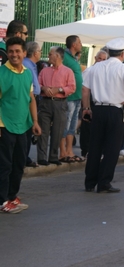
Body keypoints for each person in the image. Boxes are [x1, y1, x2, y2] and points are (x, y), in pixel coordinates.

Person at [82, 37, 124, 193]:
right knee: (112, 148)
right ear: (123, 54)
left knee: (95, 147)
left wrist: (86, 107)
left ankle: (89, 182)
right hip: (115, 110)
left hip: (98, 109)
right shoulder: (123, 68)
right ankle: (104, 182)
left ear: (108, 52)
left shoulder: (95, 68)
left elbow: (85, 90)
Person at [0, 37, 41, 213]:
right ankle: (2, 201)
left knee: (18, 164)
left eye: (17, 51)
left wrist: (35, 121)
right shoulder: (2, 73)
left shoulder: (27, 73)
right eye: (11, 51)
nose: (14, 54)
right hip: (5, 125)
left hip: (23, 126)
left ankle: (11, 196)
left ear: (25, 53)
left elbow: (30, 98)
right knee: (4, 165)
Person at [37, 47, 76, 166]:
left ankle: (53, 156)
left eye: (50, 54)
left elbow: (72, 87)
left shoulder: (68, 71)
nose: (48, 56)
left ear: (57, 56)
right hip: (45, 102)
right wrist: (43, 88)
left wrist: (58, 89)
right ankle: (41, 157)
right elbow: (38, 84)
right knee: (43, 130)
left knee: (58, 130)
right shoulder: (44, 71)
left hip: (60, 103)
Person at [80, 49, 108, 158]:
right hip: (90, 99)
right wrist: (86, 106)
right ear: (95, 59)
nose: (101, 61)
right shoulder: (89, 71)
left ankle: (96, 150)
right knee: (87, 126)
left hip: (100, 101)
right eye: (99, 58)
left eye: (104, 59)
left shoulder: (106, 72)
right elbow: (84, 89)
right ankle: (85, 150)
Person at [60, 35, 84, 163]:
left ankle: (69, 151)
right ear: (73, 44)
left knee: (72, 126)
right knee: (66, 124)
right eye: (79, 42)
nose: (81, 44)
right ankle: (62, 152)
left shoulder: (74, 58)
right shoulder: (64, 56)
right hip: (69, 97)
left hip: (77, 97)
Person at [23, 41, 42, 168]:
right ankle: (23, 157)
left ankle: (25, 156)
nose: (40, 53)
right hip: (29, 99)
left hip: (33, 98)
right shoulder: (27, 65)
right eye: (40, 51)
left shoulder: (32, 65)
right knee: (26, 130)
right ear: (35, 53)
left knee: (29, 130)